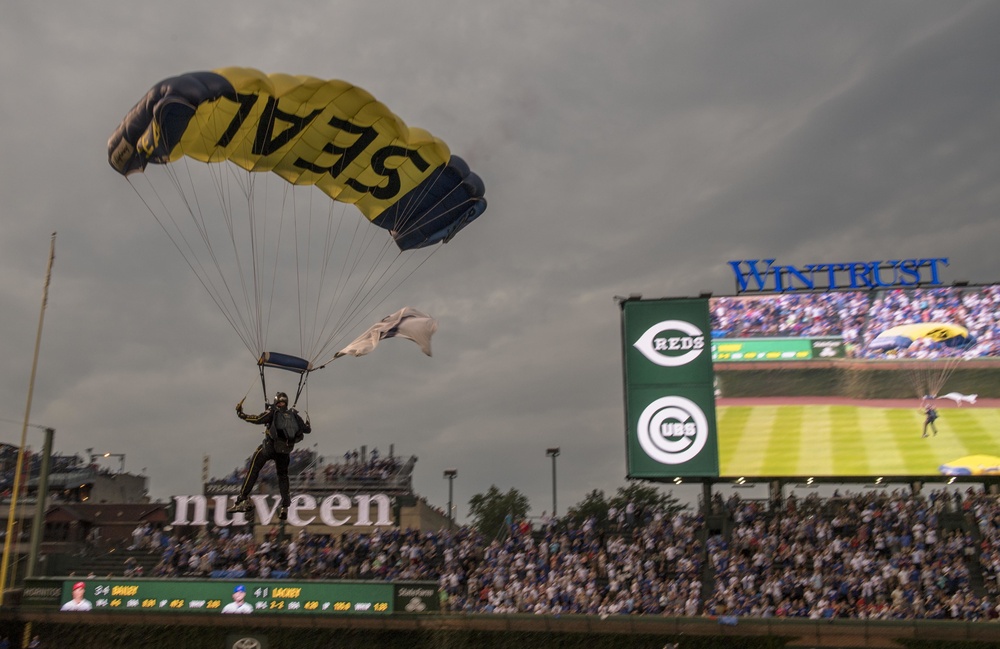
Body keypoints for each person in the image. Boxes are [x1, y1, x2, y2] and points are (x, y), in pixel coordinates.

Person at [228, 392, 310, 521]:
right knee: (283, 476)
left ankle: (241, 500)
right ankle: (284, 506)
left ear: (276, 402)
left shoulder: (273, 412)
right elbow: (307, 430)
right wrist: (307, 421)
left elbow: (257, 420)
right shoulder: (294, 415)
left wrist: (241, 414)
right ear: (286, 402)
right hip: (284, 451)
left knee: (254, 469)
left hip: (270, 447)